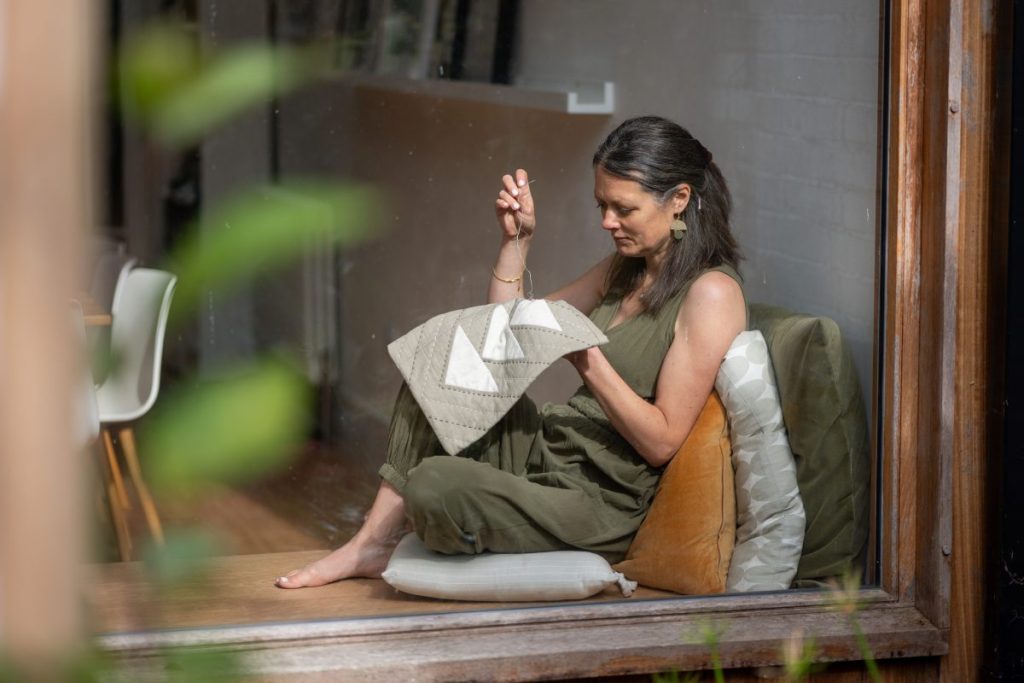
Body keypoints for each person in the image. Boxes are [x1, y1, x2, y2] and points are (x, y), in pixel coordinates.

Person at [275, 115, 746, 589]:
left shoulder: (711, 294)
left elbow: (663, 441)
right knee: (439, 367)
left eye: (624, 209)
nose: (607, 222)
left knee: (433, 486)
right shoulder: (625, 267)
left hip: (595, 502)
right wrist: (517, 240)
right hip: (546, 449)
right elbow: (504, 330)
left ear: (679, 199)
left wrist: (588, 359)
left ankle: (444, 519)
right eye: (602, 205)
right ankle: (369, 545)